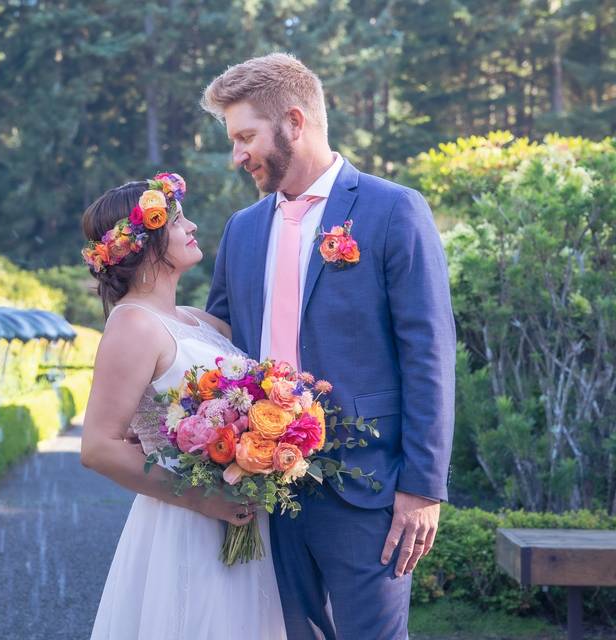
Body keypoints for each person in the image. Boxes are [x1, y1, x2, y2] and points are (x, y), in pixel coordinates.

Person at [201, 53, 457, 639]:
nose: (236, 155)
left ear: (293, 121)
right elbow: (216, 344)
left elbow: (429, 356)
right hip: (262, 488)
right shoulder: (241, 230)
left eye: (245, 136)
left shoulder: (394, 210)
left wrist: (422, 487)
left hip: (368, 489)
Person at [79, 175, 286, 639]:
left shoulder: (195, 319)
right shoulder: (132, 325)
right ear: (146, 243)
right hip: (187, 523)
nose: (191, 225)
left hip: (241, 512)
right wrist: (204, 498)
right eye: (176, 220)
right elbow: (98, 446)